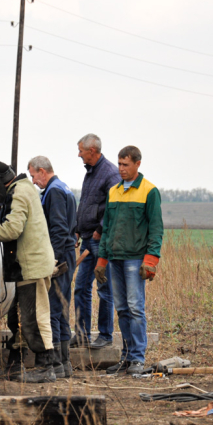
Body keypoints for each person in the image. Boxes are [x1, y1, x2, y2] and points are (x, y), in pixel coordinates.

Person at [0, 161, 57, 383]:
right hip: (24, 266)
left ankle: (46, 367)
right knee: (17, 317)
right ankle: (15, 365)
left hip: (32, 266)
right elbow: (19, 215)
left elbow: (14, 228)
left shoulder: (19, 192)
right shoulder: (21, 189)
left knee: (34, 318)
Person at [95, 146, 163, 375]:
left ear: (137, 164)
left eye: (125, 165)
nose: (121, 169)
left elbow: (156, 229)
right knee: (122, 309)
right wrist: (101, 260)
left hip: (135, 260)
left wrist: (151, 260)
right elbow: (107, 229)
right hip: (114, 259)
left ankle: (137, 359)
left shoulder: (149, 191)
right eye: (119, 164)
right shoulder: (113, 191)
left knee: (135, 308)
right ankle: (126, 357)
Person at [27, 156, 77, 379]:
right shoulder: (63, 187)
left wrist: (53, 261)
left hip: (60, 255)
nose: (33, 181)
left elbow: (58, 229)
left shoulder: (54, 191)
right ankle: (65, 364)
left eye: (33, 176)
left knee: (53, 309)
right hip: (69, 253)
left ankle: (54, 364)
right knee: (62, 309)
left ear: (42, 171)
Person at [71, 134, 120, 350]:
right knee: (81, 287)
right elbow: (86, 203)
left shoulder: (110, 173)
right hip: (87, 240)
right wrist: (77, 230)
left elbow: (114, 205)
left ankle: (106, 335)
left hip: (100, 241)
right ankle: (81, 335)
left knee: (104, 288)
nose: (78, 154)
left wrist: (101, 229)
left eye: (81, 150)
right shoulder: (90, 173)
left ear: (92, 150)